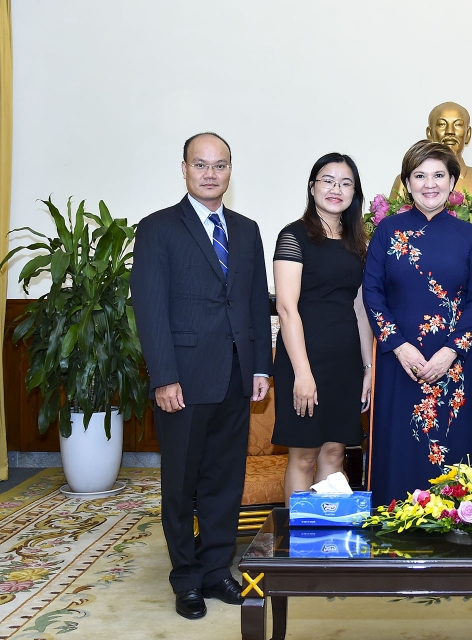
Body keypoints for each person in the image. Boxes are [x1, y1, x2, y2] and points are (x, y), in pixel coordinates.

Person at [130, 132, 272, 620]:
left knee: (224, 481)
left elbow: (256, 304)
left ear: (231, 171)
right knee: (182, 483)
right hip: (184, 381)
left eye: (220, 165)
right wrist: (164, 377)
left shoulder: (247, 229)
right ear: (185, 169)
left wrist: (260, 367)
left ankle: (215, 572)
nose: (211, 173)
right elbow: (149, 309)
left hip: (236, 377)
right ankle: (186, 579)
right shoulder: (157, 229)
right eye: (201, 165)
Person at [363, 140, 472, 506]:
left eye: (438, 175)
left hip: (453, 364)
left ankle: (456, 535)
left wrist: (451, 351)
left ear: (452, 182)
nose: (429, 184)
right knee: (397, 447)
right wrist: (399, 346)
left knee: (452, 457)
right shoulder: (388, 231)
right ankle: (393, 539)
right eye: (419, 175)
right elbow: (372, 292)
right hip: (398, 360)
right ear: (407, 182)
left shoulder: (468, 236)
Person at [271, 153, 373, 504]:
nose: (336, 189)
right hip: (304, 361)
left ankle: (328, 545)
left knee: (334, 454)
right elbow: (286, 309)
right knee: (304, 454)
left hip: (344, 364)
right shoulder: (294, 236)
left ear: (354, 193)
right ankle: (299, 549)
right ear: (313, 186)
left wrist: (368, 368)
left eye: (346, 183)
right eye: (328, 180)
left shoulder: (359, 242)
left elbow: (361, 309)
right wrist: (302, 373)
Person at [390, 102, 472, 197]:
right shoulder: (406, 182)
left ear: (468, 134)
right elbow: (394, 223)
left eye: (458, 125)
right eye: (442, 125)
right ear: (430, 134)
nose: (450, 131)